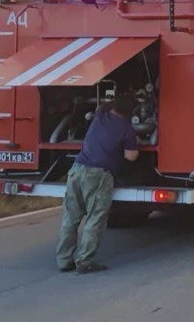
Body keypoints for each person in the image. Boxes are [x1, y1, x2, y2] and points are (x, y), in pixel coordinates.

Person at [56, 94, 139, 274]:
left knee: (70, 218)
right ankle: (85, 260)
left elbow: (101, 105)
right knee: (96, 217)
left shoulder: (101, 114)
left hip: (77, 169)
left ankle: (63, 260)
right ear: (130, 111)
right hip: (98, 175)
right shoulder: (127, 129)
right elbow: (131, 156)